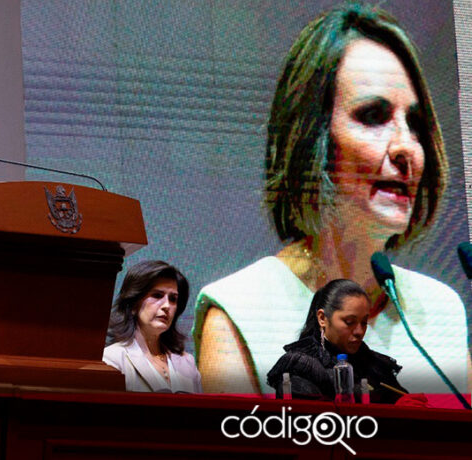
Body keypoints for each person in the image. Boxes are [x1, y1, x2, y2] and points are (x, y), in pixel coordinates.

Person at [193, 3, 469, 397]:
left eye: (415, 123)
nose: (407, 146)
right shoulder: (239, 313)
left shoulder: (441, 310)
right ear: (312, 141)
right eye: (373, 116)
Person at [267, 279, 416, 404]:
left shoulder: (373, 364)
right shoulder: (301, 365)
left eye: (364, 322)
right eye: (349, 322)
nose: (359, 331)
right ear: (322, 318)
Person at [103, 261, 202, 393]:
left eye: (173, 299)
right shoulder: (112, 360)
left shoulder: (187, 363)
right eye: (157, 295)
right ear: (133, 304)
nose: (167, 305)